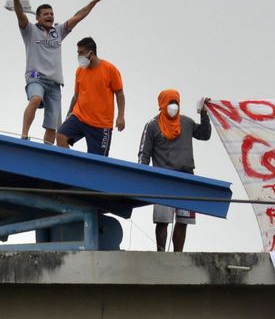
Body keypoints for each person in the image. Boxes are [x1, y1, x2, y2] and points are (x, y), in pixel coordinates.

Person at [9, 0, 107, 144]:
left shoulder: (58, 31)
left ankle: (47, 149)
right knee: (35, 99)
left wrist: (94, 1)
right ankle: (24, 136)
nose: (49, 16)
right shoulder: (30, 30)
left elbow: (79, 16)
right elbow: (20, 15)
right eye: (45, 14)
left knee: (52, 125)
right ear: (38, 18)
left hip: (54, 82)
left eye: (51, 14)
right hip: (35, 75)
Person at [138, 90, 212, 252]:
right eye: (170, 103)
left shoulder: (186, 122)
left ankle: (178, 254)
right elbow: (144, 154)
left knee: (183, 220)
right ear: (162, 104)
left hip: (186, 179)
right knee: (162, 220)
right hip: (162, 179)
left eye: (176, 103)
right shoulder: (152, 125)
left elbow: (204, 135)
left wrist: (204, 114)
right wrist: (143, 178)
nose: (173, 106)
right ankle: (161, 253)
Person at [56, 37, 125, 156]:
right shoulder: (80, 71)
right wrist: (69, 113)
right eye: (78, 53)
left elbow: (120, 94)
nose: (79, 56)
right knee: (61, 136)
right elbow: (76, 95)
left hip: (101, 125)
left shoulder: (110, 69)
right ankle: (69, 168)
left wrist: (120, 116)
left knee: (97, 162)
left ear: (91, 53)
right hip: (79, 117)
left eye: (81, 53)